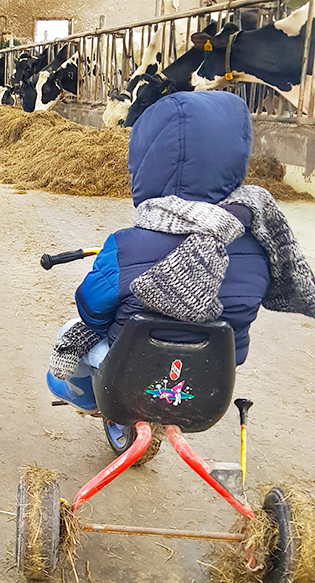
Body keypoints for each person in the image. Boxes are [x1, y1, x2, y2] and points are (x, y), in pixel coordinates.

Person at [46, 90, 315, 413]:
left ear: (146, 163)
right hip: (211, 382)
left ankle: (91, 401)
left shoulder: (126, 245)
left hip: (128, 377)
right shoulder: (260, 245)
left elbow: (91, 309)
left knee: (71, 331)